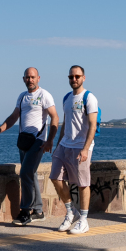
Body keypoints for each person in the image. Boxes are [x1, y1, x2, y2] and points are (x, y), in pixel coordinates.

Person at [0, 67, 58, 226]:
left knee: (25, 172)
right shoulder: (22, 97)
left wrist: (50, 140)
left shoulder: (44, 95)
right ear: (24, 79)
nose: (30, 80)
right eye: (27, 77)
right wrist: (0, 129)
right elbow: (14, 116)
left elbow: (54, 117)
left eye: (33, 77)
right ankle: (39, 211)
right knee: (31, 174)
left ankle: (26, 210)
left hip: (38, 141)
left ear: (38, 78)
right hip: (23, 141)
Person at [50, 65, 98, 234]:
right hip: (64, 145)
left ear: (83, 77)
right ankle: (71, 212)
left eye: (77, 76)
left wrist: (85, 149)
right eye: (71, 77)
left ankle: (84, 220)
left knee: (83, 184)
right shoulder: (66, 98)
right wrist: (57, 145)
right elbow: (65, 123)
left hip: (80, 147)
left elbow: (93, 125)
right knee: (55, 177)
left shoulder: (89, 97)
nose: (74, 79)